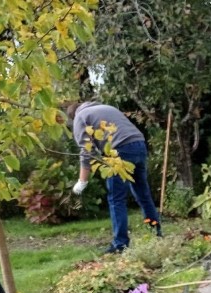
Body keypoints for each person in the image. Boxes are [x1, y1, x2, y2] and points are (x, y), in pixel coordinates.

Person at [67, 101, 161, 253]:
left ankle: (120, 244)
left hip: (120, 150)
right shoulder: (106, 108)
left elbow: (86, 150)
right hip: (139, 144)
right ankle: (156, 233)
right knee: (143, 194)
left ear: (73, 115)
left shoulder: (80, 117)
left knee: (116, 199)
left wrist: (82, 181)